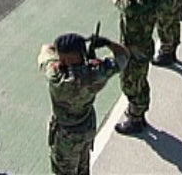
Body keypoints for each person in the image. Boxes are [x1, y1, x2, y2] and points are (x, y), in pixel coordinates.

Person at [38, 32, 129, 174]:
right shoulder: (97, 73)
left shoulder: (55, 76)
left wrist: (61, 52)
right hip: (86, 129)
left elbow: (46, 49)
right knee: (83, 166)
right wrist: (107, 43)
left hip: (65, 137)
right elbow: (123, 56)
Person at [112, 0, 165, 135]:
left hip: (131, 53)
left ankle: (135, 120)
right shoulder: (156, 0)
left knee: (130, 86)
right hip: (146, 48)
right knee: (141, 82)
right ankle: (139, 114)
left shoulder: (130, 6)